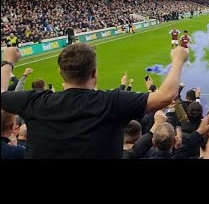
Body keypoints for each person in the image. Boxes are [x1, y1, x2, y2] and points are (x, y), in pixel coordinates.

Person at [0, 44, 187, 159]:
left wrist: (8, 61)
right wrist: (178, 59)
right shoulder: (112, 102)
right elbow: (165, 96)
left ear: (60, 73)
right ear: (94, 73)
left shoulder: (34, 101)